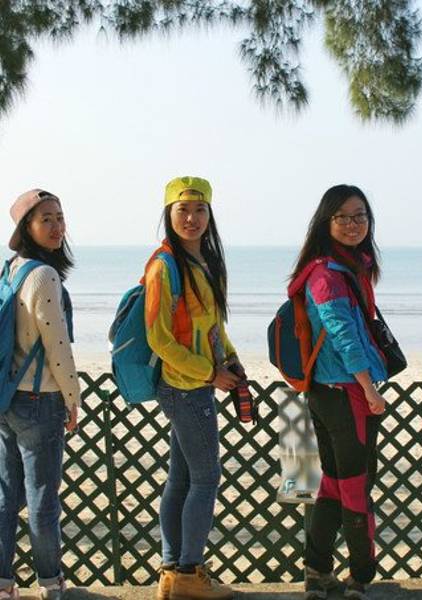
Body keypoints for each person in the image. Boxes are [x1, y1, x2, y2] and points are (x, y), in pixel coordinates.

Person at [145, 176, 243, 600]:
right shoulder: (164, 266)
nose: (191, 218)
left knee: (181, 477)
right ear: (168, 214)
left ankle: (172, 572)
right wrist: (209, 374)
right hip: (184, 386)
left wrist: (231, 358)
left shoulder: (205, 261)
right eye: (182, 210)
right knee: (206, 478)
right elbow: (160, 339)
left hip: (197, 383)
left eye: (199, 209)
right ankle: (188, 572)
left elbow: (212, 325)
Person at [289, 184, 388, 600]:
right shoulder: (328, 275)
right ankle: (360, 577)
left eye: (360, 215)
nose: (353, 224)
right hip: (346, 393)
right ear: (326, 222)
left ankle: (317, 572)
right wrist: (369, 389)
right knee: (355, 486)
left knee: (332, 483)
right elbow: (343, 336)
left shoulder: (344, 268)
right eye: (343, 216)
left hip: (326, 391)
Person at [0, 190, 80, 600]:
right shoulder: (44, 275)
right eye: (45, 218)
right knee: (43, 500)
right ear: (26, 227)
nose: (56, 226)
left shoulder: (11, 270)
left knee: (5, 496)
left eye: (59, 217)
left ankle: (3, 583)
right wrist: (73, 397)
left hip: (7, 398)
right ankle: (50, 582)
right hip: (40, 399)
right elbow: (57, 345)